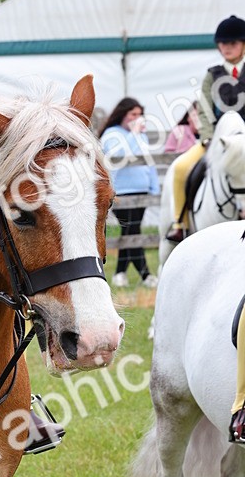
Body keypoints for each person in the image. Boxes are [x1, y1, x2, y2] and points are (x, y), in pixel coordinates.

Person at [167, 15, 245, 243]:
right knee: (181, 168)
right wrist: (209, 139)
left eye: (232, 43)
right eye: (223, 43)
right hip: (218, 142)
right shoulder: (212, 75)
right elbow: (203, 110)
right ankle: (180, 223)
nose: (227, 48)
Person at [99, 97, 159, 288]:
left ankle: (120, 273)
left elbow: (149, 162)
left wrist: (154, 187)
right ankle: (146, 275)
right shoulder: (111, 134)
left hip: (142, 189)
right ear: (123, 115)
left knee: (131, 230)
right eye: (133, 114)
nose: (137, 118)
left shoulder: (142, 136)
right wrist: (134, 134)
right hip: (122, 190)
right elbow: (122, 156)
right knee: (131, 229)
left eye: (140, 114)